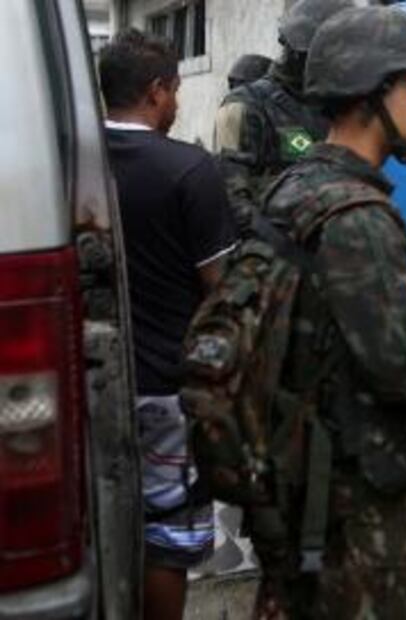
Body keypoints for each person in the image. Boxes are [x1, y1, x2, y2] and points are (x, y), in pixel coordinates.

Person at [259, 7, 406, 618]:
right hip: (355, 496)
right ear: (368, 95)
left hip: (301, 474)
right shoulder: (357, 215)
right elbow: (403, 366)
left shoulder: (292, 186)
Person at [98, 28, 237, 620]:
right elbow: (222, 290)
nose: (176, 103)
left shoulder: (68, 160)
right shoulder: (189, 169)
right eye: (175, 91)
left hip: (89, 381)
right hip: (166, 388)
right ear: (156, 91)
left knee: (96, 522)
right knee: (166, 537)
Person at [214, 0, 352, 234]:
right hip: (272, 248)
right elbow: (230, 200)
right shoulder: (243, 105)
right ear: (298, 54)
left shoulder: (336, 106)